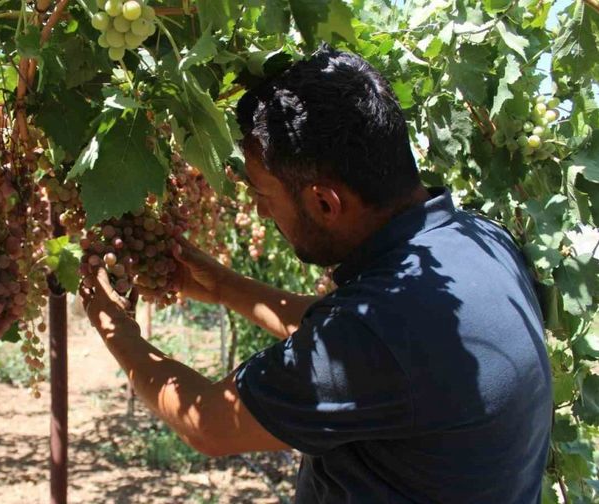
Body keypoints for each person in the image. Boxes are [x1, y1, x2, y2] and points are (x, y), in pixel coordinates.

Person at [79, 44, 552, 503]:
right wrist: (223, 286)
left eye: (264, 198)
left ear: (325, 202)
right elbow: (367, 343)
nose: (262, 214)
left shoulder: (377, 331)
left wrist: (114, 327)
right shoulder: (477, 242)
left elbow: (209, 424)